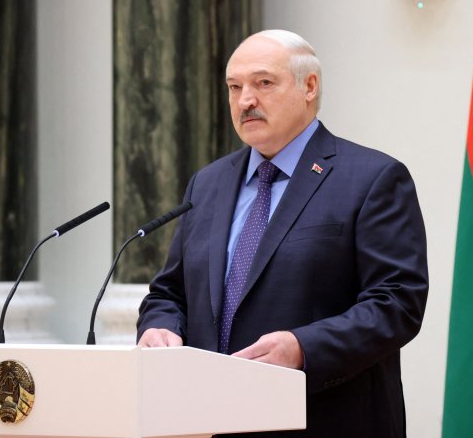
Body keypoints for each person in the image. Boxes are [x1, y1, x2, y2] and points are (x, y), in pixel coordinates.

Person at [137, 30, 428, 437]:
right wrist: (158, 328)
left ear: (309, 87)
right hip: (210, 422)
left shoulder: (372, 178)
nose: (245, 101)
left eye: (263, 83)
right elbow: (169, 293)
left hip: (323, 419)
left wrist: (303, 348)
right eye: (234, 87)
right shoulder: (208, 184)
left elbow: (397, 303)